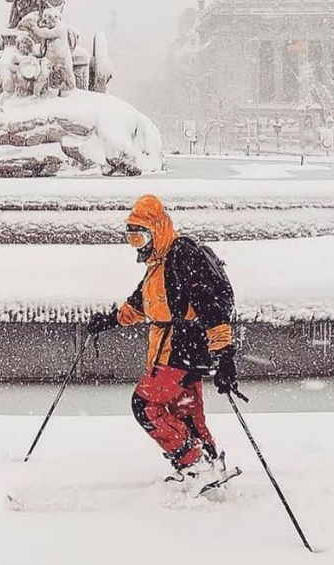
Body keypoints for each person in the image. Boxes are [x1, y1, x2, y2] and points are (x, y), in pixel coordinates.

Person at [87, 194, 238, 485]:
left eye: (140, 238)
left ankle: (192, 462)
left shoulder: (182, 255)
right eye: (131, 239)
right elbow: (140, 304)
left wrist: (225, 354)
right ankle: (208, 462)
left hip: (182, 348)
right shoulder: (158, 264)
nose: (138, 247)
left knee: (145, 405)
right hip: (181, 349)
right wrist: (108, 321)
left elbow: (211, 307)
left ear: (156, 230)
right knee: (185, 412)